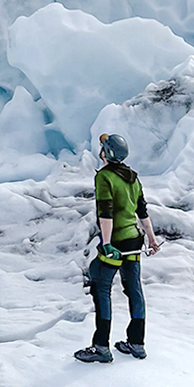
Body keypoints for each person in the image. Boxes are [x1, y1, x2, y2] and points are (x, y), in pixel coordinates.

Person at [75, 132, 158, 363]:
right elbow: (142, 212)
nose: (100, 149)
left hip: (118, 242)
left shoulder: (104, 177)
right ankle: (136, 343)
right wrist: (151, 239)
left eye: (103, 146)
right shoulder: (133, 177)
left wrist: (107, 243)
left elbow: (106, 212)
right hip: (134, 240)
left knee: (100, 284)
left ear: (107, 153)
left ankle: (101, 347)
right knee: (134, 289)